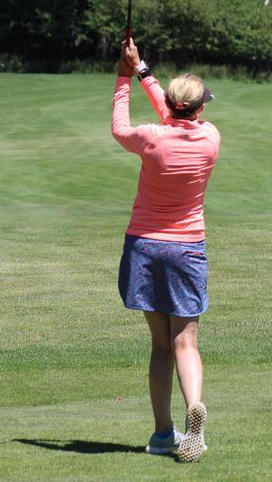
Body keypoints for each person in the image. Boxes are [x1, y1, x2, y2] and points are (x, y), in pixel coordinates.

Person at [112, 38, 220, 462]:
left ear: (172, 106)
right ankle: (194, 410)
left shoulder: (151, 139)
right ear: (198, 110)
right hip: (187, 248)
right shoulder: (210, 138)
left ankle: (162, 434)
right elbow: (174, 116)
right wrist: (142, 70)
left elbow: (122, 128)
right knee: (185, 342)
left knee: (160, 346)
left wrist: (125, 76)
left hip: (145, 246)